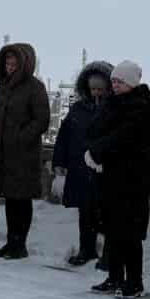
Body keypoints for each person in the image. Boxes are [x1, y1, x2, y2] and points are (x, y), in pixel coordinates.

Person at [84, 61, 150, 298]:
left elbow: (124, 137)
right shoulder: (112, 103)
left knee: (130, 233)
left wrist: (97, 151)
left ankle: (134, 281)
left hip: (132, 178)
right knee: (113, 230)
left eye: (120, 82)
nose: (115, 85)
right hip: (111, 176)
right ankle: (114, 277)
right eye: (114, 81)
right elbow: (96, 130)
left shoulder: (141, 106)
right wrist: (95, 148)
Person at [0, 43, 50, 259]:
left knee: (21, 200)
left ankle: (19, 244)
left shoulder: (35, 87)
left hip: (24, 155)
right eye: (8, 64)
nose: (10, 68)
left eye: (14, 64)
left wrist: (20, 138)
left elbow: (41, 120)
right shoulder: (5, 87)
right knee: (11, 199)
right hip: (5, 153)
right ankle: (11, 241)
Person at [52, 60, 113, 265]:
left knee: (105, 214)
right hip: (81, 168)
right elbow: (64, 137)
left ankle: (108, 255)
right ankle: (87, 250)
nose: (96, 93)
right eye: (93, 89)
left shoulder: (113, 109)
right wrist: (59, 162)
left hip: (103, 169)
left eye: (100, 89)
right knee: (85, 213)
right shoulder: (78, 109)